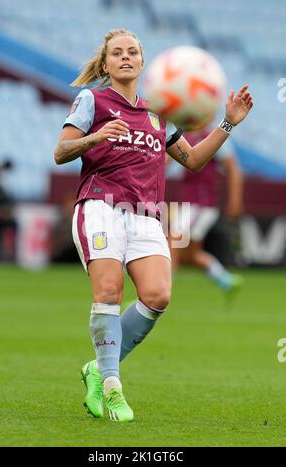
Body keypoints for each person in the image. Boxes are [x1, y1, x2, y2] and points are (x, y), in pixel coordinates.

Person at [54, 28, 253, 422]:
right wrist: (94, 138)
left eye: (132, 52)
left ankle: (97, 367)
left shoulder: (158, 113)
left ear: (143, 62)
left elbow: (193, 160)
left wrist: (229, 123)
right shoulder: (92, 100)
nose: (125, 57)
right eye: (117, 53)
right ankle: (111, 386)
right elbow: (61, 150)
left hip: (147, 215)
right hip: (100, 206)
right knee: (109, 290)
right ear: (106, 64)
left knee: (158, 295)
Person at [168, 126, 244, 295]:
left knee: (175, 237)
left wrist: (235, 200)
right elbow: (163, 163)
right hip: (191, 203)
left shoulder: (212, 136)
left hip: (201, 203)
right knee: (189, 255)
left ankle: (161, 291)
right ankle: (225, 280)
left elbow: (232, 168)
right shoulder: (180, 135)